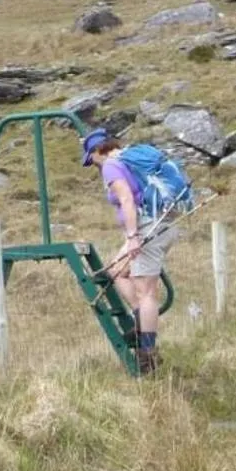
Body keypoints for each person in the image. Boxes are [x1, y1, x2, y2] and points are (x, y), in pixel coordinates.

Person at [82, 129, 177, 375]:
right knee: (116, 270)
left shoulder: (110, 166)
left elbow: (126, 200)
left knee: (146, 292)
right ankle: (140, 322)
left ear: (96, 152)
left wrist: (133, 237)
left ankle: (148, 354)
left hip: (146, 228)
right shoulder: (127, 159)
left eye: (90, 159)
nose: (91, 164)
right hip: (160, 223)